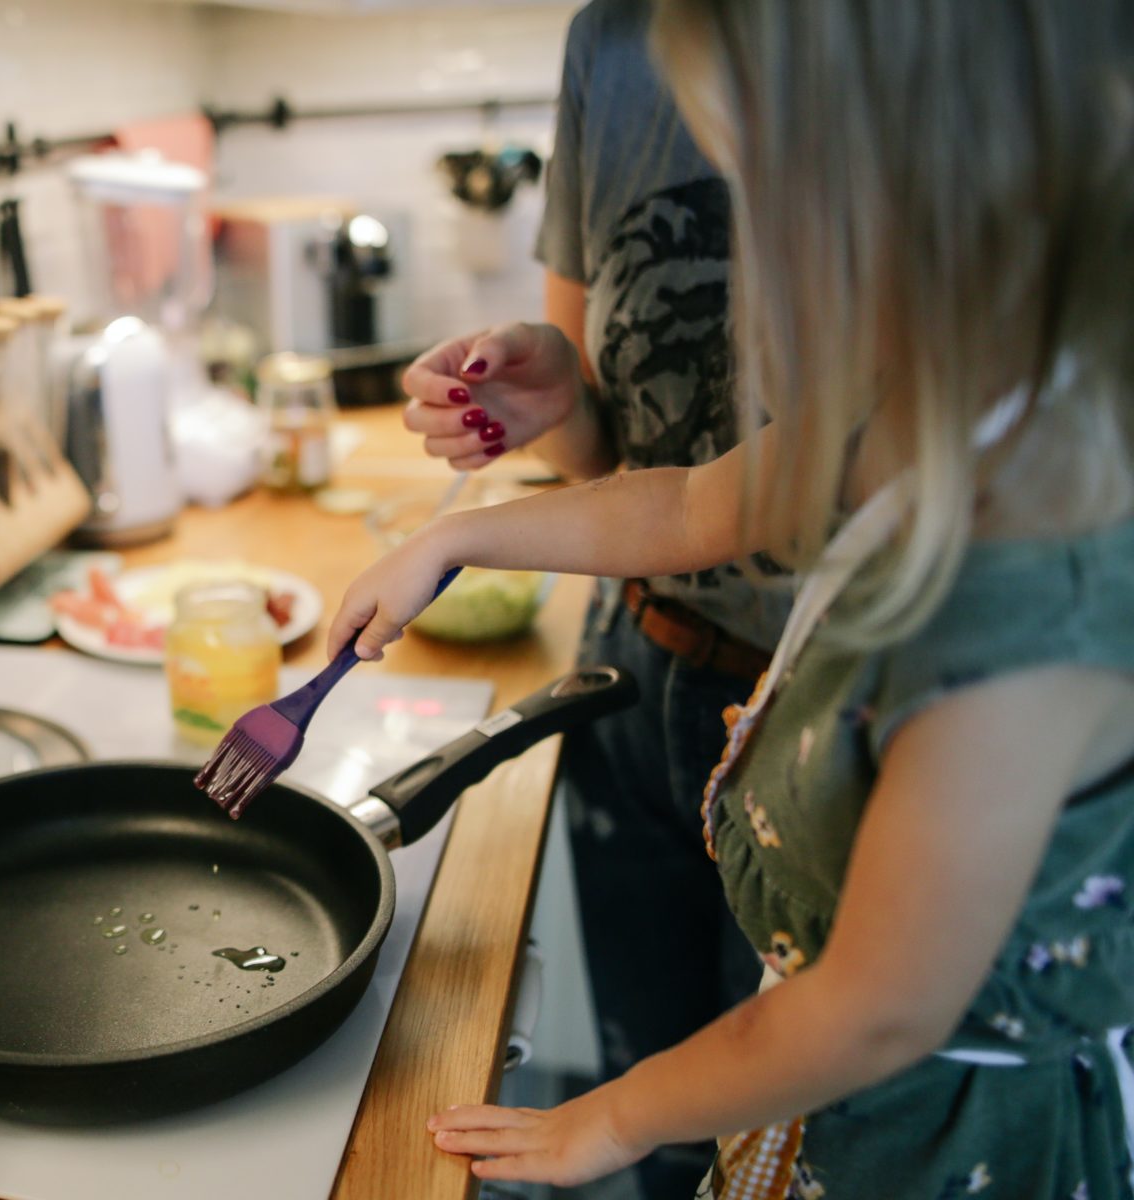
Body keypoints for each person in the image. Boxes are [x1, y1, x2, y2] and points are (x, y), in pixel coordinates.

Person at [338, 0, 1134, 1192]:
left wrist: (615, 1119)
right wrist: (455, 542)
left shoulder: (1022, 606)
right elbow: (687, 507)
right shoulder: (942, 405)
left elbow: (871, 1013)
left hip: (930, 1147)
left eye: (770, 184)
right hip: (820, 1094)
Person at [402, 1, 767, 1191]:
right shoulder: (614, 38)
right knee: (658, 1124)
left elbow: (722, 502)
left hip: (837, 709)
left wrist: (457, 541)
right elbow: (638, 477)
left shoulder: (960, 54)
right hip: (639, 673)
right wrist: (551, 395)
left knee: (777, 1138)